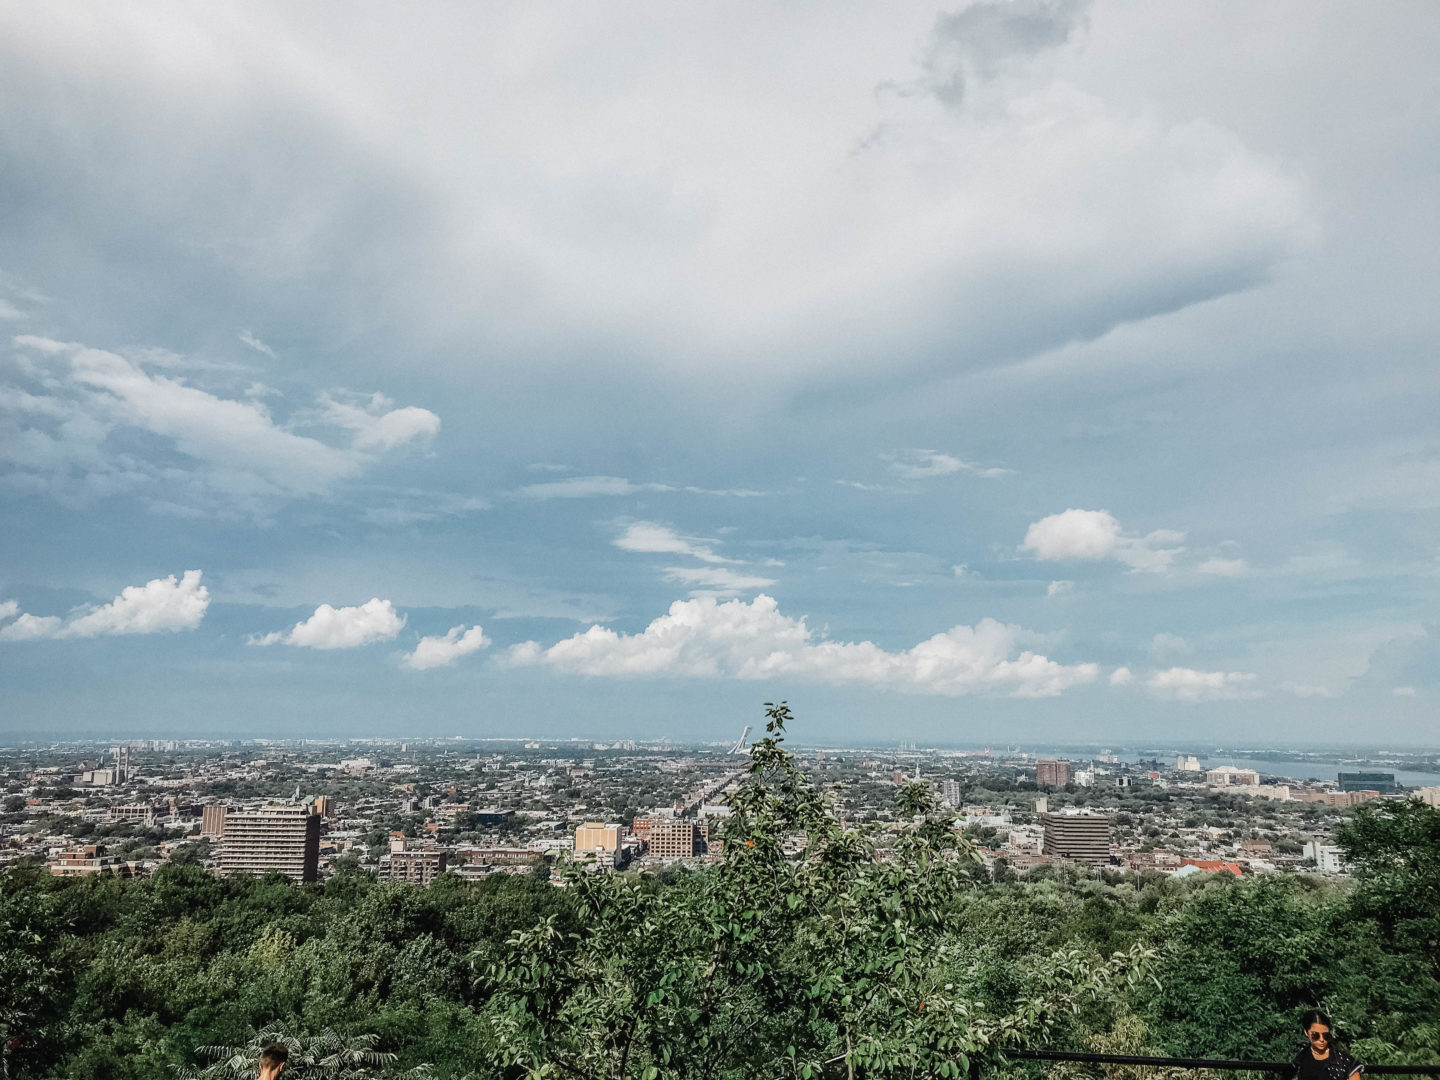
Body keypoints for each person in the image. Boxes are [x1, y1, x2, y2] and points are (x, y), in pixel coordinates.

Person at [1292, 1011, 1363, 1080]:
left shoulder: (1344, 1061)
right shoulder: (1301, 1057)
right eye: (1315, 1035)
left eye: (1326, 1035)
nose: (1321, 1039)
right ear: (1306, 1032)